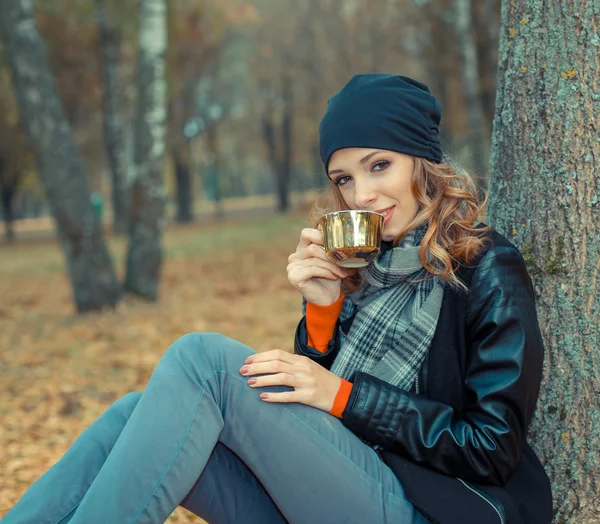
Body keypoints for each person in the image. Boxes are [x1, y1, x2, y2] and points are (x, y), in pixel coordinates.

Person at [2, 74, 552, 524]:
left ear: (421, 161)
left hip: (427, 508)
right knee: (131, 414)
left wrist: (342, 395)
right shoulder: (367, 265)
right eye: (343, 178)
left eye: (379, 165)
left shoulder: (486, 267)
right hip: (329, 495)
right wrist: (321, 313)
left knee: (203, 361)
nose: (362, 196)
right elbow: (314, 425)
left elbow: (491, 447)